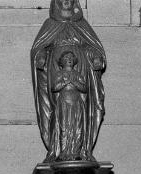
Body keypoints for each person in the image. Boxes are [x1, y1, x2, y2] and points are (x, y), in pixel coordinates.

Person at [31, 0, 106, 163]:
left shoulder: (82, 25)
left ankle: (81, 149)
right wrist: (41, 55)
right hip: (56, 69)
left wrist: (96, 57)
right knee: (59, 111)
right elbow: (39, 47)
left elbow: (93, 46)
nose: (66, 1)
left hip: (81, 69)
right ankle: (58, 149)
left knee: (82, 110)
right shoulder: (50, 24)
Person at [52, 51, 88, 161]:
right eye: (67, 57)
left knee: (77, 127)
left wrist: (75, 82)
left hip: (76, 103)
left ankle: (76, 152)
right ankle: (63, 152)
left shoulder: (77, 74)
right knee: (64, 127)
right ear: (61, 61)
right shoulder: (59, 74)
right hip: (64, 103)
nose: (69, 59)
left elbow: (84, 88)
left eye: (71, 57)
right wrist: (65, 82)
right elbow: (54, 87)